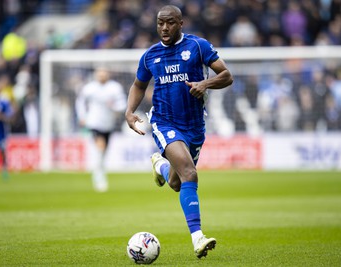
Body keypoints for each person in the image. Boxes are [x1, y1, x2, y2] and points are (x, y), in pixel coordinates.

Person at [125, 5, 233, 259]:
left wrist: (205, 83)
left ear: (181, 23)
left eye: (170, 23)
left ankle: (159, 165)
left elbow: (227, 76)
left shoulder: (198, 47)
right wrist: (129, 111)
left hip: (194, 126)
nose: (164, 28)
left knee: (176, 182)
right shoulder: (150, 56)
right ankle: (198, 238)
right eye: (160, 23)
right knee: (189, 173)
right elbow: (138, 85)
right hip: (165, 122)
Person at [76, 67, 127, 192]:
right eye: (99, 74)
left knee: (104, 151)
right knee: (100, 146)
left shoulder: (114, 88)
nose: (101, 76)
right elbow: (80, 102)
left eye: (104, 74)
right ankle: (99, 178)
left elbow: (123, 104)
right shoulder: (90, 88)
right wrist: (82, 116)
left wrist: (114, 106)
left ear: (108, 75)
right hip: (94, 122)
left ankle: (99, 170)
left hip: (108, 124)